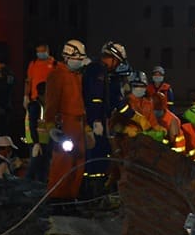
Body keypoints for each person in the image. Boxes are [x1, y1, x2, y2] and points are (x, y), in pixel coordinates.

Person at [83, 40, 132, 196]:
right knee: (94, 158)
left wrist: (133, 117)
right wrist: (95, 121)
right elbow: (94, 99)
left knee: (102, 156)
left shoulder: (105, 74)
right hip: (92, 122)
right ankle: (90, 194)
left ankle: (98, 193)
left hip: (101, 121)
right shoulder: (96, 70)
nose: (117, 66)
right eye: (117, 62)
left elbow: (116, 102)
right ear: (111, 57)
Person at [44, 40, 88, 200]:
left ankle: (70, 198)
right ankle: (57, 199)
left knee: (78, 163)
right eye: (78, 58)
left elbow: (82, 102)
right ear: (68, 56)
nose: (80, 62)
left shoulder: (77, 76)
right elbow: (51, 102)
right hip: (66, 123)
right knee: (63, 163)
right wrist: (50, 125)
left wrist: (87, 127)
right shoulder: (57, 75)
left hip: (78, 123)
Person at [24, 82, 51, 182]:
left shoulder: (44, 106)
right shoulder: (35, 106)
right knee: (33, 168)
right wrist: (36, 142)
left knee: (43, 170)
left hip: (44, 143)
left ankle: (40, 190)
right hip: (36, 142)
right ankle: (25, 187)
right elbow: (32, 124)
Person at [23, 42, 56, 111]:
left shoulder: (54, 64)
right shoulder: (33, 64)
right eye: (38, 52)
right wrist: (26, 96)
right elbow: (28, 81)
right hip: (35, 100)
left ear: (47, 51)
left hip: (50, 100)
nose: (40, 53)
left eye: (42, 51)